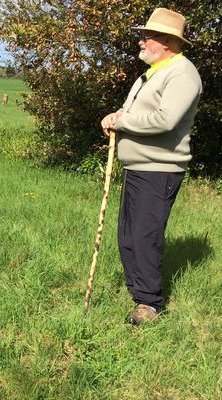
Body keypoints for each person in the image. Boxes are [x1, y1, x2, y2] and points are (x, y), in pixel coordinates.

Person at [100, 8, 202, 325]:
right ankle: (138, 294)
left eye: (147, 36)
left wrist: (123, 121)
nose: (141, 40)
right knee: (128, 236)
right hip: (139, 167)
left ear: (168, 41)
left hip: (159, 170)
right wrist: (116, 116)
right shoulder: (155, 71)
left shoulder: (182, 74)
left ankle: (149, 305)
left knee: (145, 237)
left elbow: (165, 120)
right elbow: (134, 111)